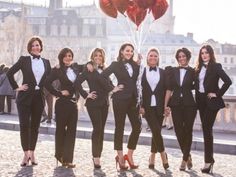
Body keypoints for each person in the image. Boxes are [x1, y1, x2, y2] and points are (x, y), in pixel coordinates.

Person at [7, 36, 51, 166]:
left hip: (39, 98)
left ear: (41, 47)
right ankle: (25, 154)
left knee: (35, 127)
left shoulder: (46, 62)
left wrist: (58, 93)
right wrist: (17, 87)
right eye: (33, 46)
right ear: (30, 48)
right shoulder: (24, 60)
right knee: (24, 126)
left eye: (37, 45)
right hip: (24, 98)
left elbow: (51, 79)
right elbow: (10, 73)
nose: (36, 47)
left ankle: (32, 152)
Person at [75, 48, 119, 169]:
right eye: (96, 55)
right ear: (92, 57)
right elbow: (77, 82)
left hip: (104, 103)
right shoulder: (89, 69)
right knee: (97, 128)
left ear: (103, 57)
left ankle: (98, 154)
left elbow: (109, 85)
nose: (98, 57)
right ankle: (96, 157)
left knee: (101, 130)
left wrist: (116, 88)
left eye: (100, 55)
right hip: (93, 103)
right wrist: (86, 95)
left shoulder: (105, 70)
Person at [101, 43, 141, 170]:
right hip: (119, 100)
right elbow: (102, 75)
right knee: (120, 128)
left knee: (137, 127)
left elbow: (137, 81)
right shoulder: (115, 65)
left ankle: (129, 155)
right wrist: (113, 88)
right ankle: (119, 156)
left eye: (131, 51)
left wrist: (139, 63)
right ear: (122, 51)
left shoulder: (135, 65)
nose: (129, 53)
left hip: (133, 100)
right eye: (127, 50)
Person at [45, 48, 85, 168]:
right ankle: (59, 155)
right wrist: (59, 93)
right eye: (66, 56)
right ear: (61, 58)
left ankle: (68, 159)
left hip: (73, 104)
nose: (68, 58)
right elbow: (46, 83)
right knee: (61, 131)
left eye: (70, 55)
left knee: (72, 132)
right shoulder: (57, 70)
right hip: (62, 104)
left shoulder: (76, 68)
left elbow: (89, 65)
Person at [195, 45, 232, 173]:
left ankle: (208, 161)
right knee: (206, 129)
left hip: (211, 102)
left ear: (211, 54)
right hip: (201, 102)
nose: (204, 55)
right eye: (202, 53)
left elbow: (228, 81)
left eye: (206, 53)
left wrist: (217, 94)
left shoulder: (216, 66)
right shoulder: (198, 68)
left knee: (206, 128)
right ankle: (209, 161)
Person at [164, 48, 197, 171]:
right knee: (178, 131)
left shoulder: (194, 72)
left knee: (188, 131)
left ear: (188, 57)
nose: (181, 58)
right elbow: (169, 88)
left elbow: (199, 86)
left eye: (183, 56)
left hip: (190, 105)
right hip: (176, 104)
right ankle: (187, 155)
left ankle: (184, 160)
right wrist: (165, 105)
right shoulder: (172, 71)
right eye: (179, 57)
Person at [139, 48, 169, 170]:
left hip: (159, 107)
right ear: (147, 57)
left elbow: (167, 90)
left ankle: (152, 156)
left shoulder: (163, 72)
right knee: (156, 130)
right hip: (147, 107)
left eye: (155, 56)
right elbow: (138, 90)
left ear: (158, 58)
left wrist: (167, 106)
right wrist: (140, 105)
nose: (153, 58)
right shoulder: (142, 71)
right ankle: (163, 155)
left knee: (156, 132)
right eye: (151, 55)